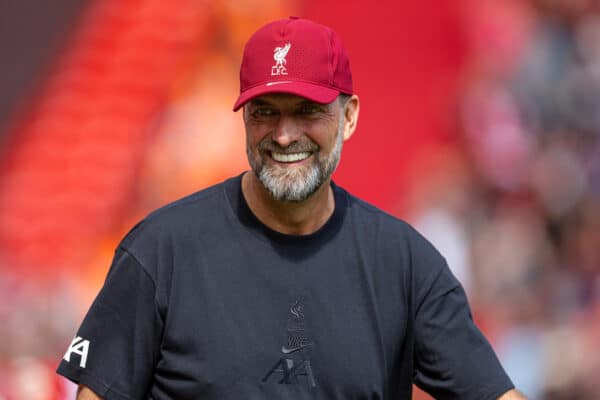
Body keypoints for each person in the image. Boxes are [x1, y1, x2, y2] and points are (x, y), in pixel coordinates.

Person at [57, 17, 527, 400]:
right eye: (265, 111)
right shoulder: (160, 252)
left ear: (349, 117)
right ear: (242, 119)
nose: (284, 135)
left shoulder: (404, 265)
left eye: (307, 111)